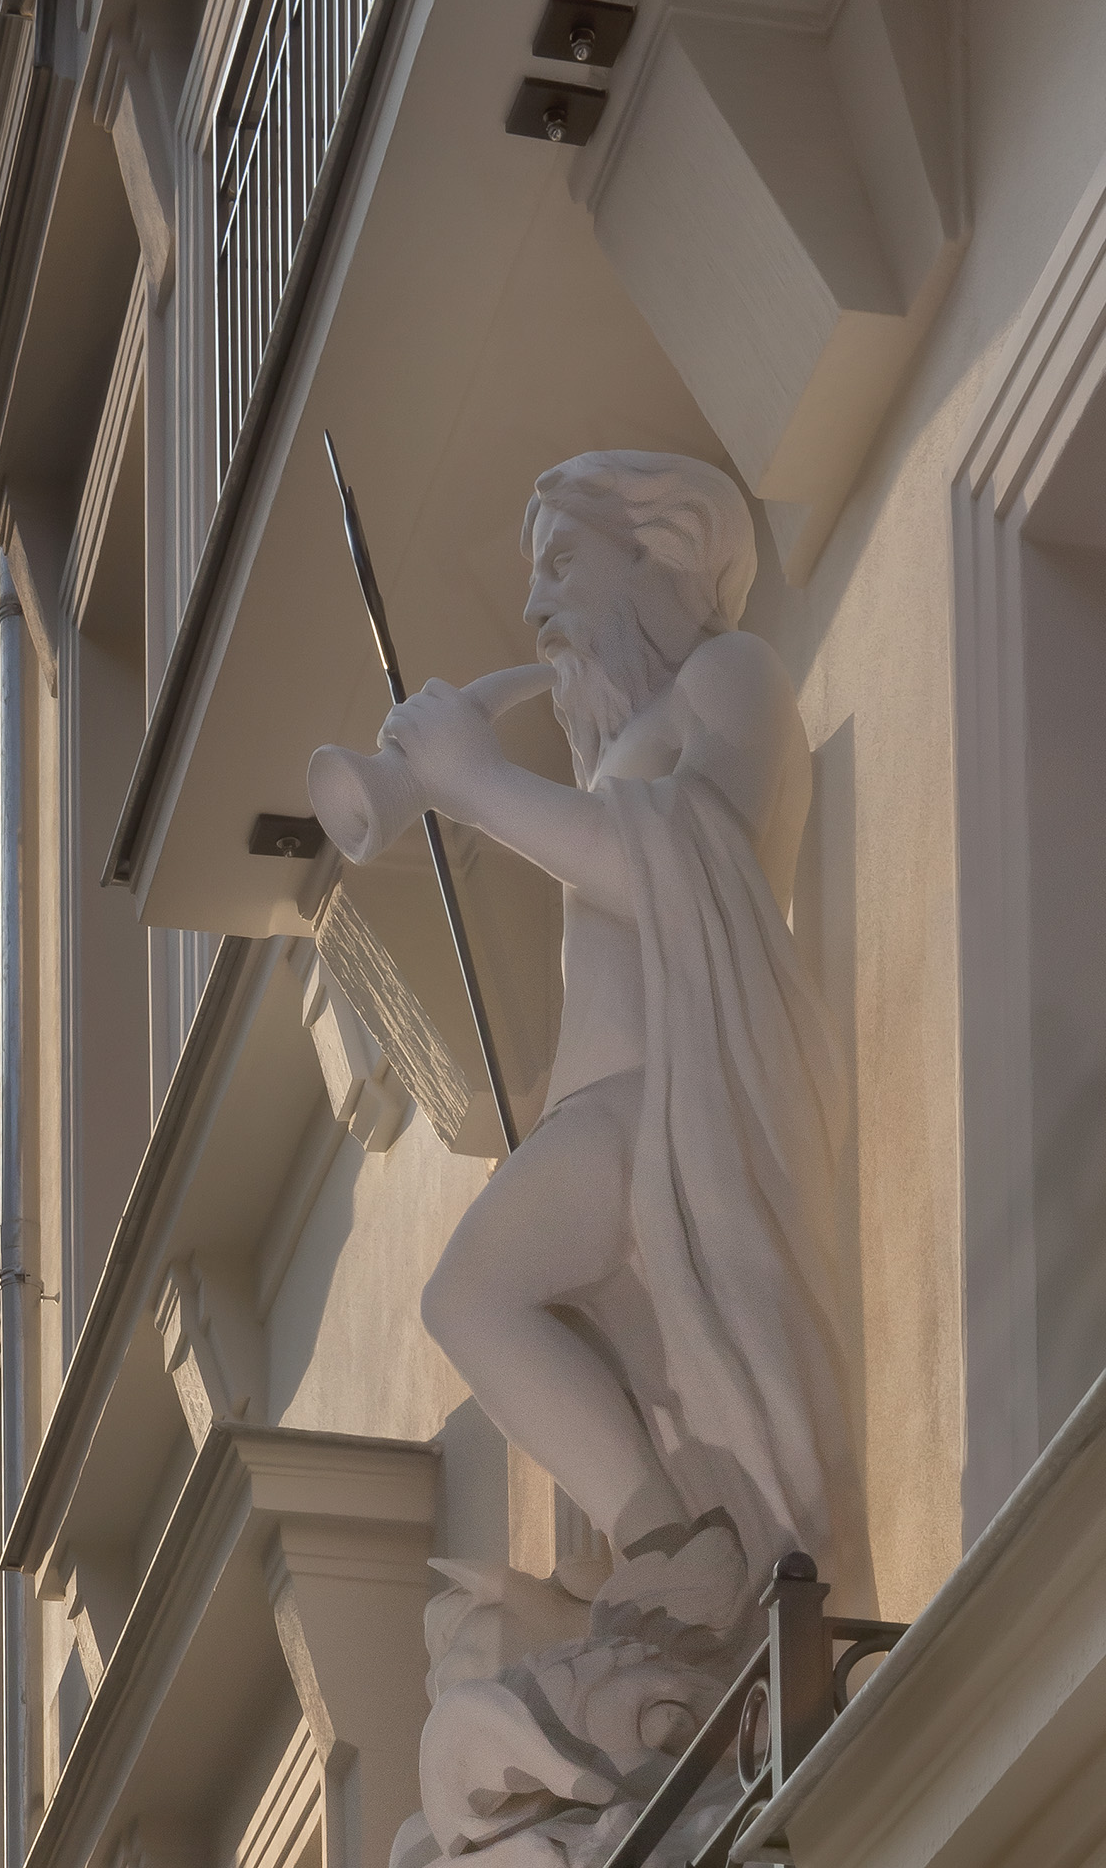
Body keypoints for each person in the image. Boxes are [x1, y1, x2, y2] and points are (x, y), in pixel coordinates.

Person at [308, 448, 860, 1628]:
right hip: (604, 1113)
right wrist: (473, 786)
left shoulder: (729, 675)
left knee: (471, 1294)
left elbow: (689, 860)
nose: (533, 602)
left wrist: (477, 785)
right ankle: (662, 1541)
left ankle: (668, 1537)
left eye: (562, 561)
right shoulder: (615, 746)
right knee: (502, 1309)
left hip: (663, 1111)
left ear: (656, 557)